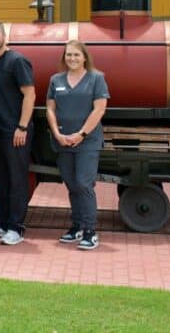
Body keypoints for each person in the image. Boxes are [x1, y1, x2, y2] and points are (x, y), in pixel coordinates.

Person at [46, 40, 109, 251]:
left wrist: (81, 134)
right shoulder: (56, 80)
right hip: (63, 140)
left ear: (84, 57)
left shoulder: (96, 79)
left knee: (83, 183)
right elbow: (50, 110)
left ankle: (90, 231)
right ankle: (77, 226)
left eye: (76, 55)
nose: (72, 58)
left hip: (87, 141)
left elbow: (99, 110)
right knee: (71, 184)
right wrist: (57, 134)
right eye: (68, 55)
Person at [0, 19, 36, 246]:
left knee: (16, 181)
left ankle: (16, 228)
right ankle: (2, 224)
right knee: (0, 180)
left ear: (4, 37)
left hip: (15, 131)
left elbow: (30, 94)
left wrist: (22, 127)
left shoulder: (17, 61)